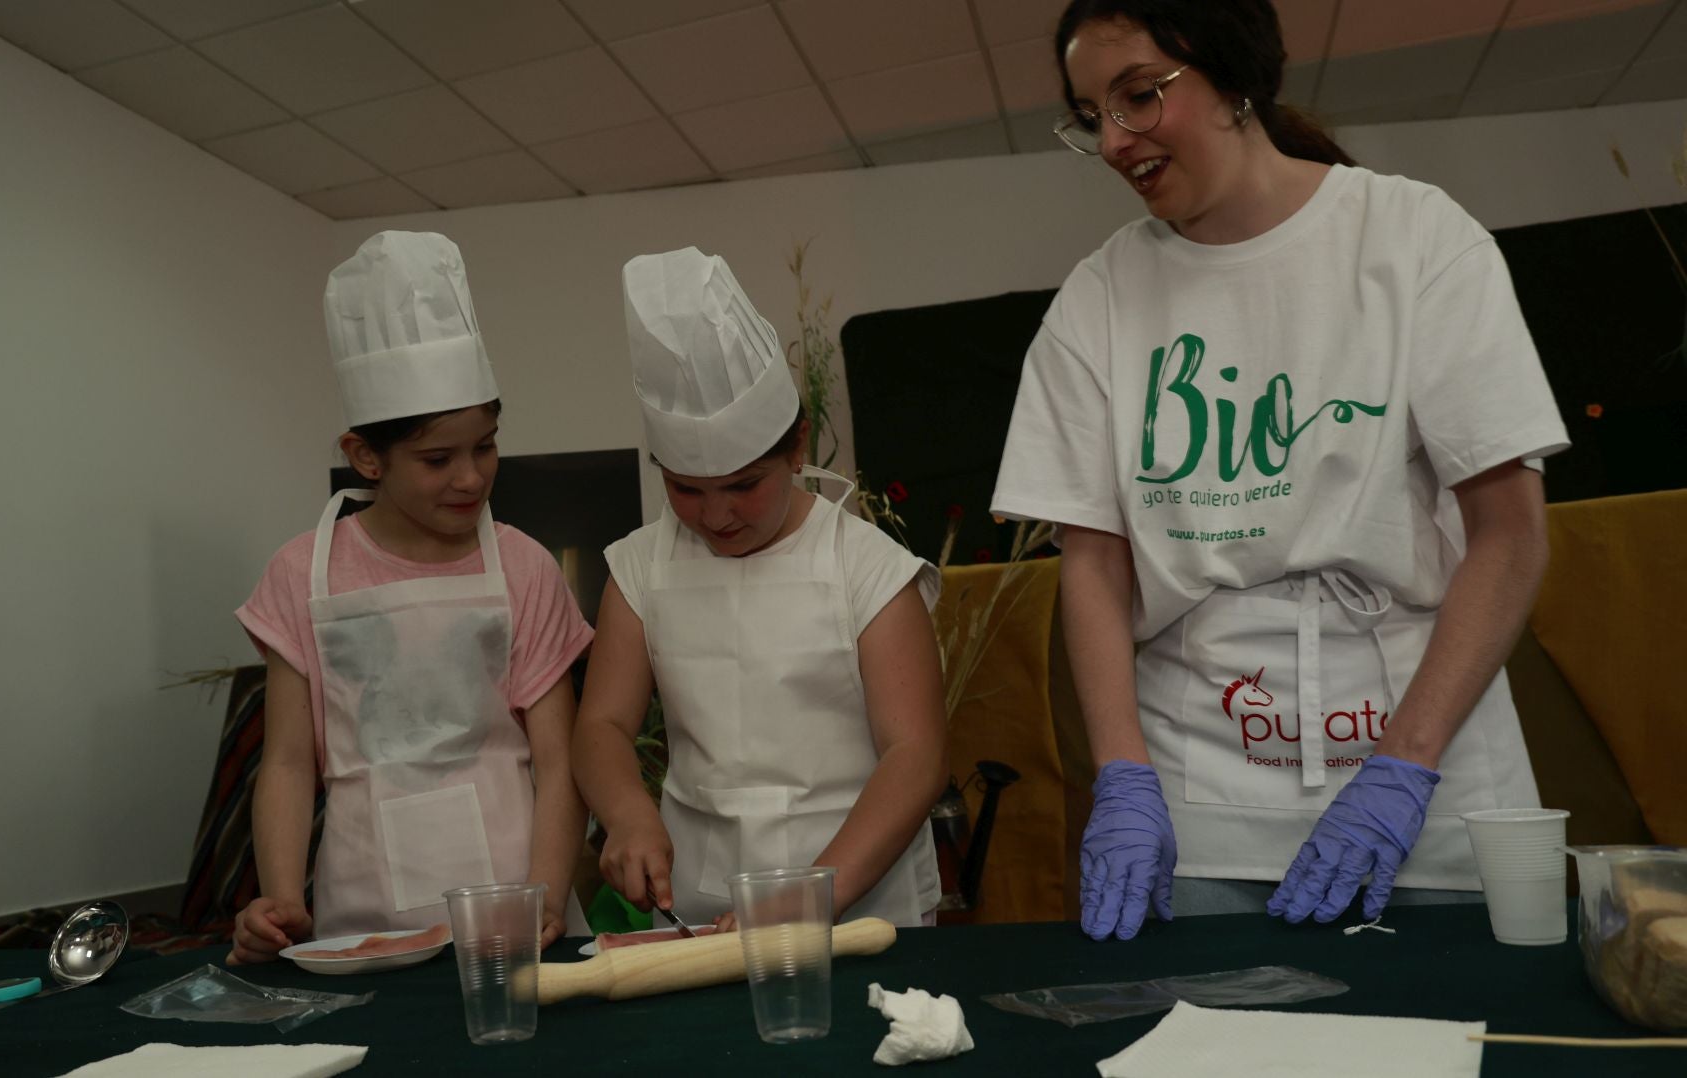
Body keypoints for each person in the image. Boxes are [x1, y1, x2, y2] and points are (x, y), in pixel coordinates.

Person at [992, 0, 1570, 941]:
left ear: (1234, 76)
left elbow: (1511, 533)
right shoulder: (1097, 300)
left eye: (1139, 96)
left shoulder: (1413, 238)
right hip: (1206, 792)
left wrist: (1405, 769)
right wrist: (1124, 778)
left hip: (1433, 764)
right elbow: (1093, 566)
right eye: (1092, 115)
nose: (1114, 140)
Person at [230, 231, 594, 963]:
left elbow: (559, 761)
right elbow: (291, 762)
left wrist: (548, 897)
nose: (471, 478)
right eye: (438, 459)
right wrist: (281, 902)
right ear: (366, 456)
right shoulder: (303, 573)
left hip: (519, 913)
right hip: (361, 919)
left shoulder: (522, 567)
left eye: (485, 446)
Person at [573, 248, 947, 929]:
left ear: (796, 445)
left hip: (858, 907)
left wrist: (813, 894)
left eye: (745, 485)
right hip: (696, 911)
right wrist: (626, 813)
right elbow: (601, 724)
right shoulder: (639, 568)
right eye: (685, 489)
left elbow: (914, 755)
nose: (716, 516)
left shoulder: (867, 568)